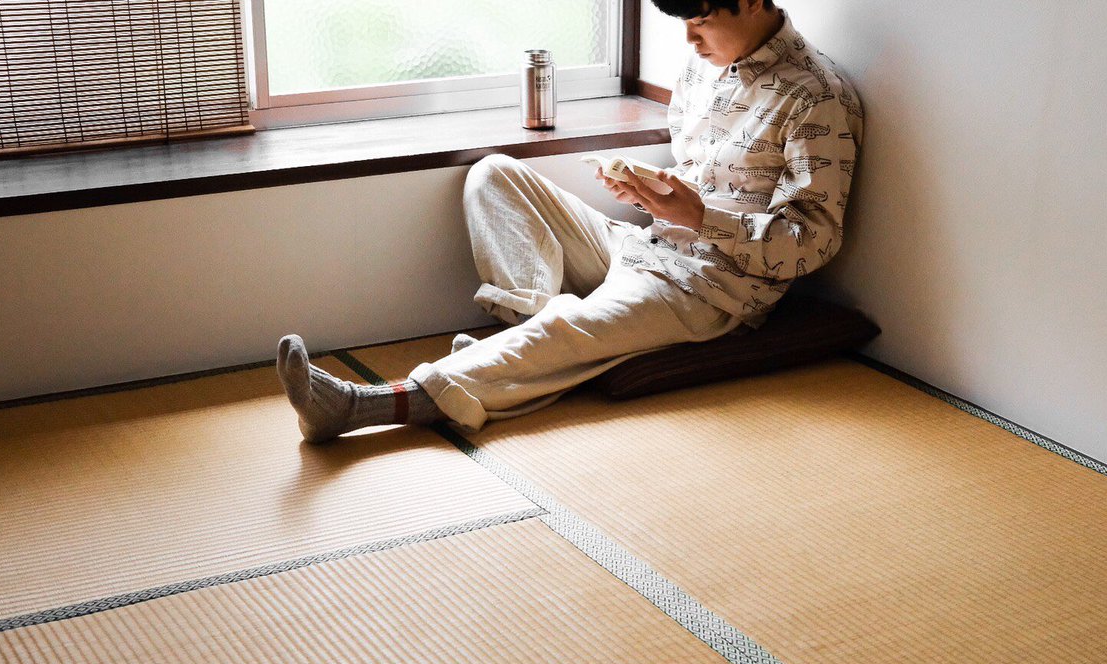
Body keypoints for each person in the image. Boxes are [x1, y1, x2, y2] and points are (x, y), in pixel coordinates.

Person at [276, 0, 863, 442]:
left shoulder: (818, 96)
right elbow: (698, 173)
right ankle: (527, 335)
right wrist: (648, 189)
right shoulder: (702, 67)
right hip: (647, 245)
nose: (689, 37)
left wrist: (701, 217)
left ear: (755, 0)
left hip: (714, 289)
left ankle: (361, 406)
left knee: (564, 331)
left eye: (701, 20)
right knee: (494, 175)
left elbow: (812, 241)